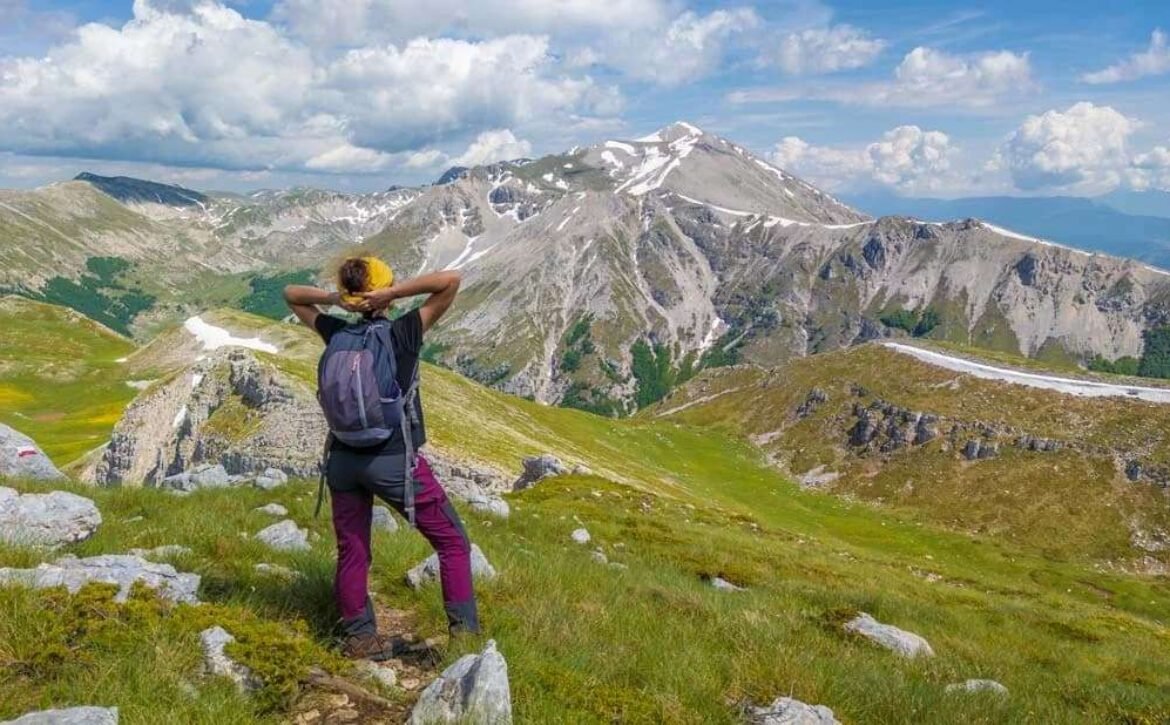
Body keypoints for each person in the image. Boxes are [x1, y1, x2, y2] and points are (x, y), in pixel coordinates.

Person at [283, 257, 479, 661]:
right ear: (383, 295)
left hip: (342, 461)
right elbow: (449, 281)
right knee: (453, 543)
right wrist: (395, 293)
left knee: (353, 549)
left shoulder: (335, 331)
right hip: (392, 461)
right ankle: (465, 639)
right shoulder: (404, 332)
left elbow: (293, 296)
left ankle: (359, 638)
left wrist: (337, 300)